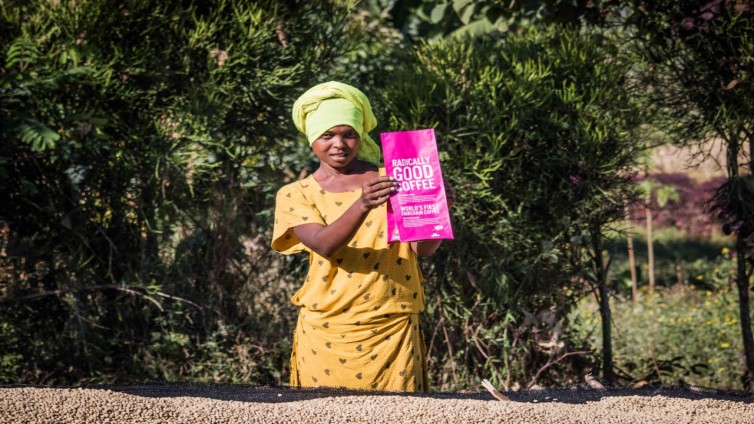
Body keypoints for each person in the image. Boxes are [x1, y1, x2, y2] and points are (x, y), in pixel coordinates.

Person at [271, 81, 453, 392]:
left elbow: (423, 250)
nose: (339, 144)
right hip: (326, 330)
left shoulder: (394, 178)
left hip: (392, 328)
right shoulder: (295, 194)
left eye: (349, 134)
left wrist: (435, 209)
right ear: (311, 138)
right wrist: (363, 204)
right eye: (327, 135)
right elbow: (324, 244)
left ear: (360, 136)